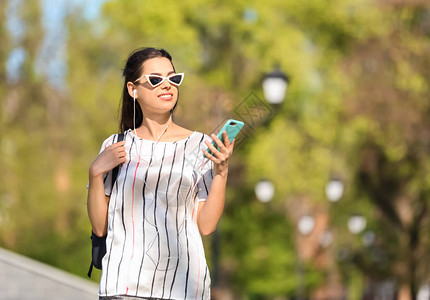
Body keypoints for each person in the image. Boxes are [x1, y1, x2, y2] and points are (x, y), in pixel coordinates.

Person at [87, 47, 235, 300]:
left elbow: (207, 226)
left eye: (173, 78)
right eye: (155, 79)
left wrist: (221, 172)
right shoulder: (115, 145)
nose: (167, 86)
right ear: (133, 90)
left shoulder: (200, 146)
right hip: (123, 286)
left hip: (184, 288)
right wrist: (94, 172)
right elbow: (100, 227)